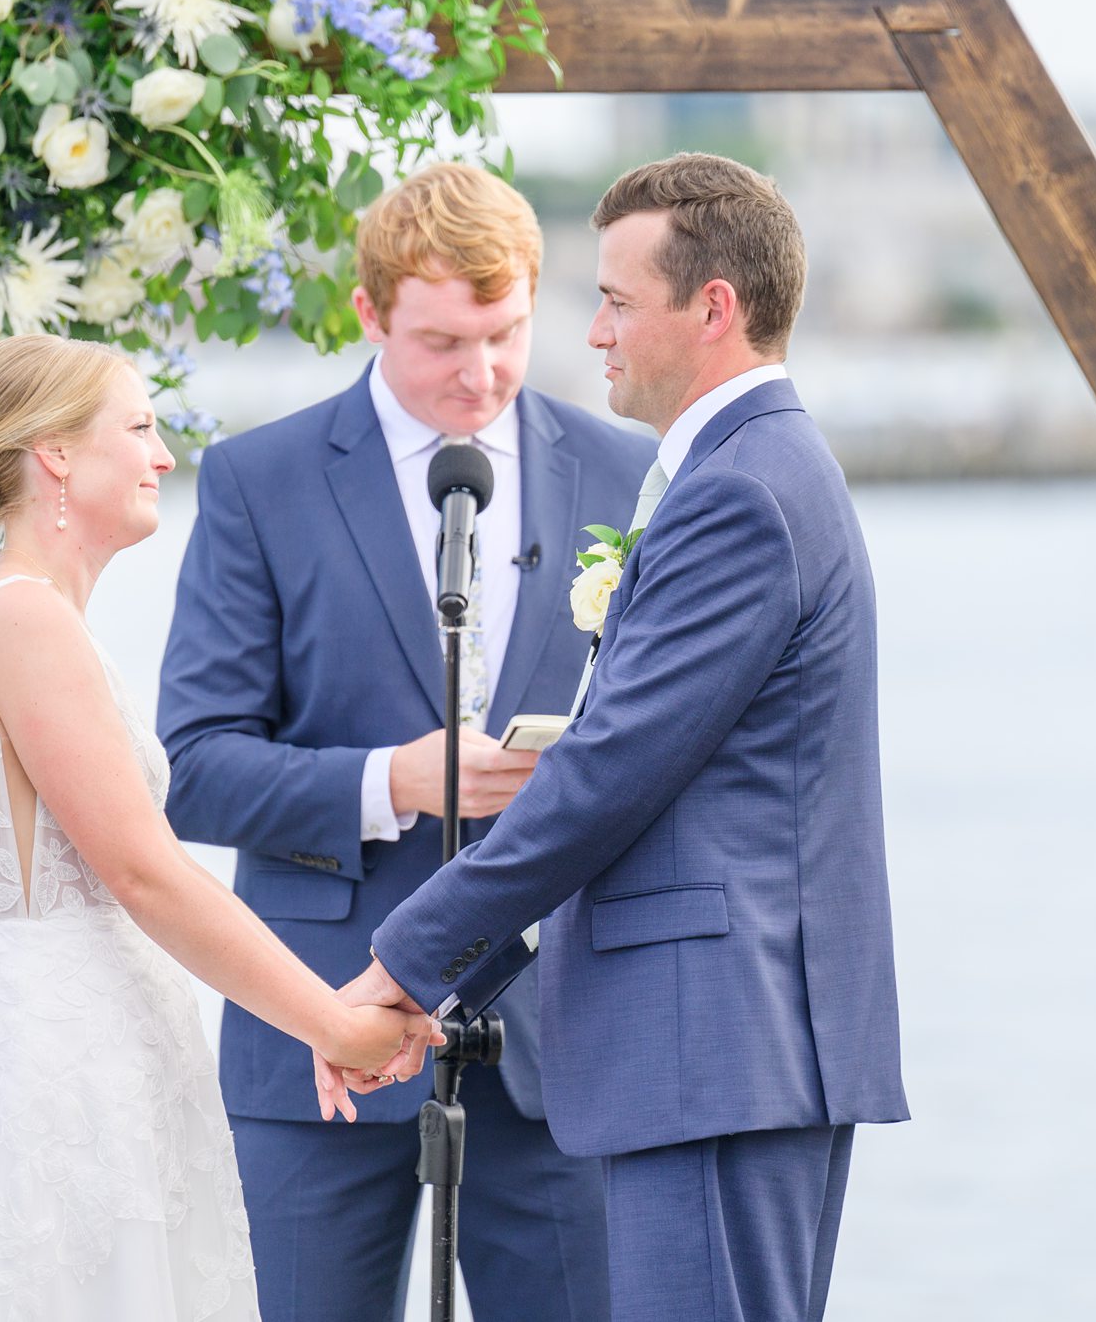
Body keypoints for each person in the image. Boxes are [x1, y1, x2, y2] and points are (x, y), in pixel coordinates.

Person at [329, 153, 909, 1322]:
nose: (590, 332)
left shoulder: (743, 492)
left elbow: (605, 780)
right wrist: (453, 988)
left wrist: (402, 962)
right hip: (717, 1052)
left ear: (713, 308)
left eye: (616, 300)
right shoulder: (739, 473)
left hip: (719, 1053)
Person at [0, 335, 436, 1322]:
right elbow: (145, 872)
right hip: (60, 1073)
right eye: (142, 428)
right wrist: (328, 1021)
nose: (163, 457)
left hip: (58, 1036)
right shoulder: (27, 621)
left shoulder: (14, 613)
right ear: (59, 453)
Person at [159, 161, 651, 1321]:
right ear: (371, 313)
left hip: (560, 1043)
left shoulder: (631, 473)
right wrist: (393, 780)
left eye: (507, 333)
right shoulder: (258, 482)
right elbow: (191, 769)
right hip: (316, 1038)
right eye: (440, 342)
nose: (478, 375)